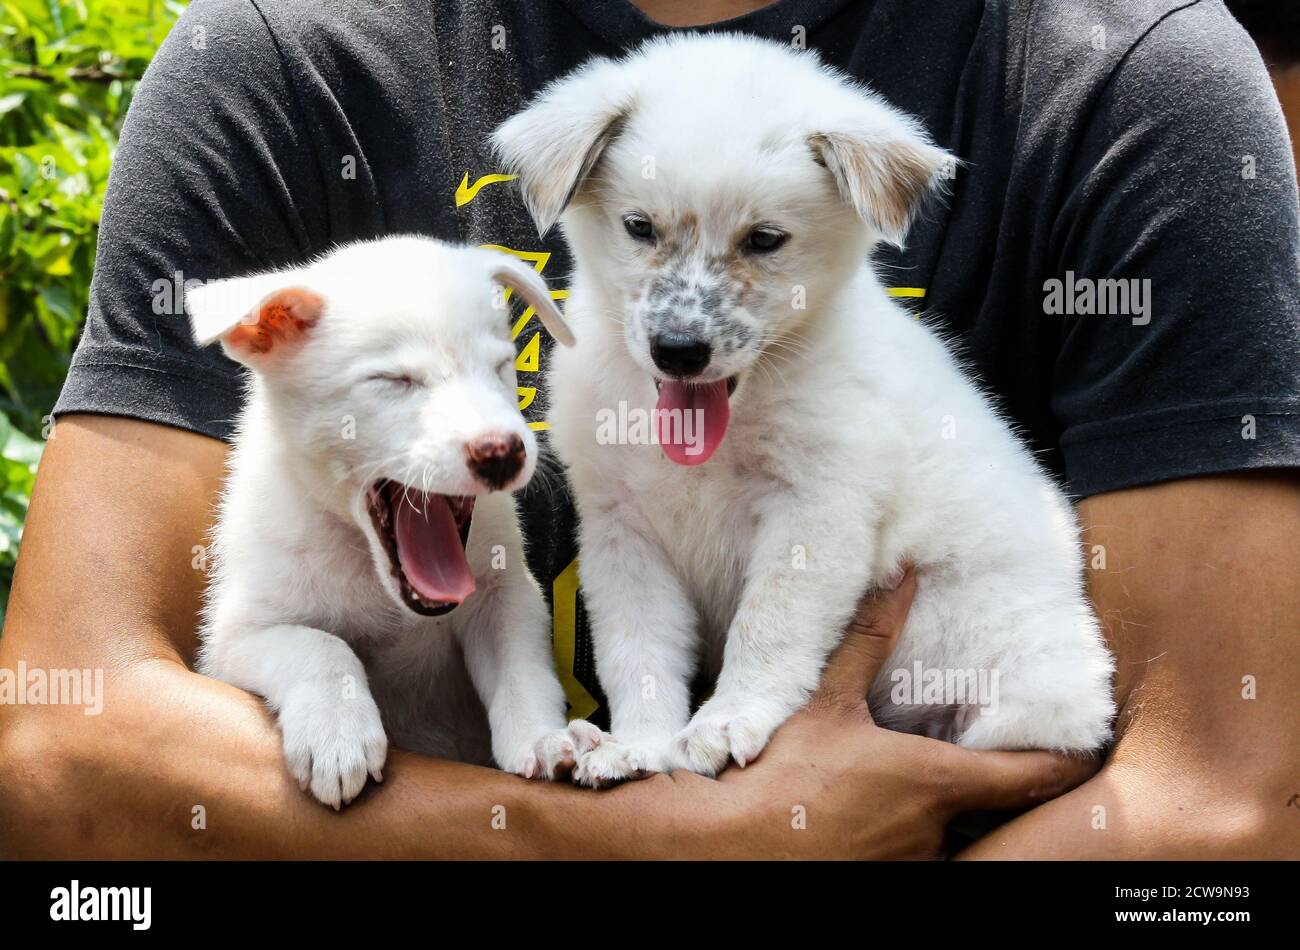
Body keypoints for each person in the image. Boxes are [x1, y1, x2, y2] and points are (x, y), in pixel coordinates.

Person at [1, 0, 1297, 859]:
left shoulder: (1129, 82)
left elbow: (1228, 811)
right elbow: (60, 750)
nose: (683, 320)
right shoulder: (283, 67)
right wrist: (659, 843)